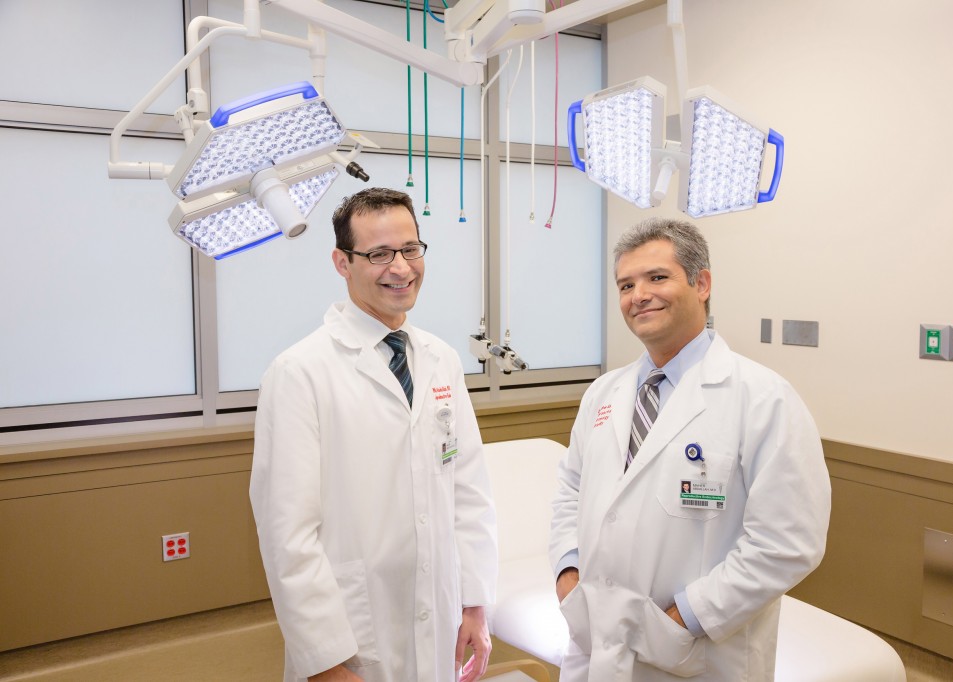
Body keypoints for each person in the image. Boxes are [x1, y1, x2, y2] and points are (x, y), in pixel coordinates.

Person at [549, 217, 831, 681]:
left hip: (695, 655)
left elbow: (788, 542)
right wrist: (568, 572)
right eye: (626, 284)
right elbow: (569, 490)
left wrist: (686, 617)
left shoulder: (764, 399)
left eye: (657, 277)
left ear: (702, 284)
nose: (638, 295)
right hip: (595, 642)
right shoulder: (604, 394)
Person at [250, 188, 498, 682]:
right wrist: (324, 660)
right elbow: (287, 533)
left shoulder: (441, 359)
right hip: (354, 637)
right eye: (379, 253)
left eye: (410, 249)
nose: (401, 268)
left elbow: (468, 492)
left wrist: (474, 604)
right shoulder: (300, 372)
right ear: (342, 262)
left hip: (439, 616)